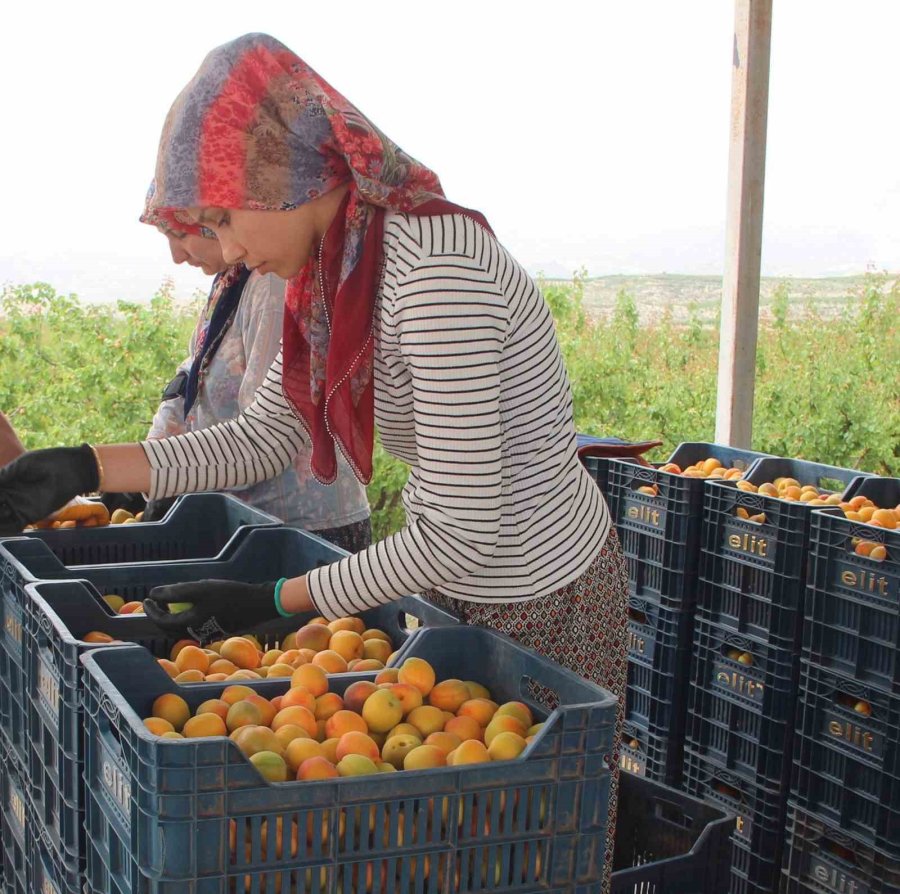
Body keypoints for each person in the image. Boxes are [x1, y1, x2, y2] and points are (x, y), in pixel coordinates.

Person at [0, 34, 627, 886]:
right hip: (451, 590)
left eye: (221, 217)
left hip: (538, 590)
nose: (220, 250)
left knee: (520, 845)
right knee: (433, 844)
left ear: (277, 174)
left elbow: (462, 529)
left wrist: (274, 599)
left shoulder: (433, 271)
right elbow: (265, 436)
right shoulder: (333, 279)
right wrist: (84, 468)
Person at [142, 200, 371, 550]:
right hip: (250, 521)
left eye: (178, 233)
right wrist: (151, 460)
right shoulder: (230, 284)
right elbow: (190, 377)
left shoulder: (273, 284)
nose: (176, 255)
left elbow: (262, 438)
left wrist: (140, 468)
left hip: (303, 532)